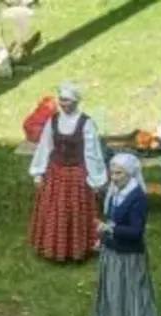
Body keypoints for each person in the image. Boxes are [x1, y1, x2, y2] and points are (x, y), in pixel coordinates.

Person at [93, 153, 161, 316]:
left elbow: (135, 232)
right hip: (112, 252)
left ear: (130, 173)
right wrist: (103, 238)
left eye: (119, 173)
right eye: (112, 172)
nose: (114, 177)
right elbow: (111, 220)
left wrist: (110, 229)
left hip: (128, 257)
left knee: (132, 298)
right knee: (114, 295)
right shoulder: (116, 192)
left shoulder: (137, 198)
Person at [28, 82, 108, 263]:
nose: (63, 104)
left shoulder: (86, 124)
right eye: (61, 100)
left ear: (76, 101)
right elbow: (45, 146)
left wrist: (96, 180)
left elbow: (92, 152)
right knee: (54, 211)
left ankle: (77, 249)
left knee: (75, 211)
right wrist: (38, 172)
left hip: (77, 174)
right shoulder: (53, 120)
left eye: (67, 100)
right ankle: (53, 248)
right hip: (55, 173)